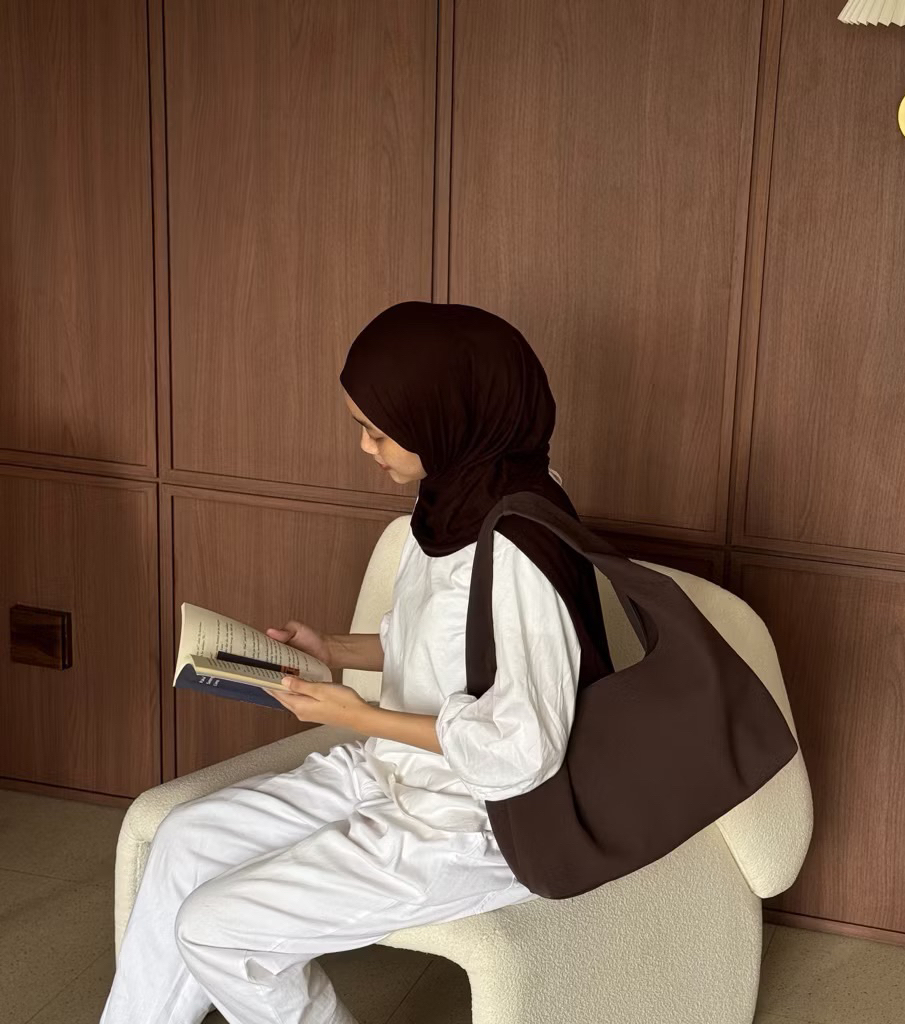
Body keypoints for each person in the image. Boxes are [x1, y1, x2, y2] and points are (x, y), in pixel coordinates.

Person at [100, 301, 611, 1024]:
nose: (366, 447)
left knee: (215, 930)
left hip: (473, 823)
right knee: (184, 841)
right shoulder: (450, 502)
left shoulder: (524, 543)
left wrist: (361, 715)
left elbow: (522, 747)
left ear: (446, 418)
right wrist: (336, 651)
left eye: (378, 431)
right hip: (391, 772)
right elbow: (450, 648)